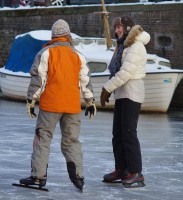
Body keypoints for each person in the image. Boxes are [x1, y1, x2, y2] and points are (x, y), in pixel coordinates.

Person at [19, 19, 96, 191]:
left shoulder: (45, 53)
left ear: (53, 35)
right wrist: (90, 101)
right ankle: (79, 177)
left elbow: (39, 79)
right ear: (68, 35)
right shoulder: (78, 55)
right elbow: (85, 80)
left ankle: (38, 176)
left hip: (50, 105)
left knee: (43, 139)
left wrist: (31, 100)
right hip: (72, 105)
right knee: (71, 141)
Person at [100, 16, 150, 188]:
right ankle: (121, 169)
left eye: (119, 27)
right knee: (118, 134)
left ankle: (136, 172)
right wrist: (112, 88)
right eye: (115, 28)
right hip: (122, 92)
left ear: (128, 28)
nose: (116, 30)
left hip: (132, 92)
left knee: (128, 133)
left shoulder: (136, 46)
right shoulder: (123, 46)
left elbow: (126, 72)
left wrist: (107, 88)